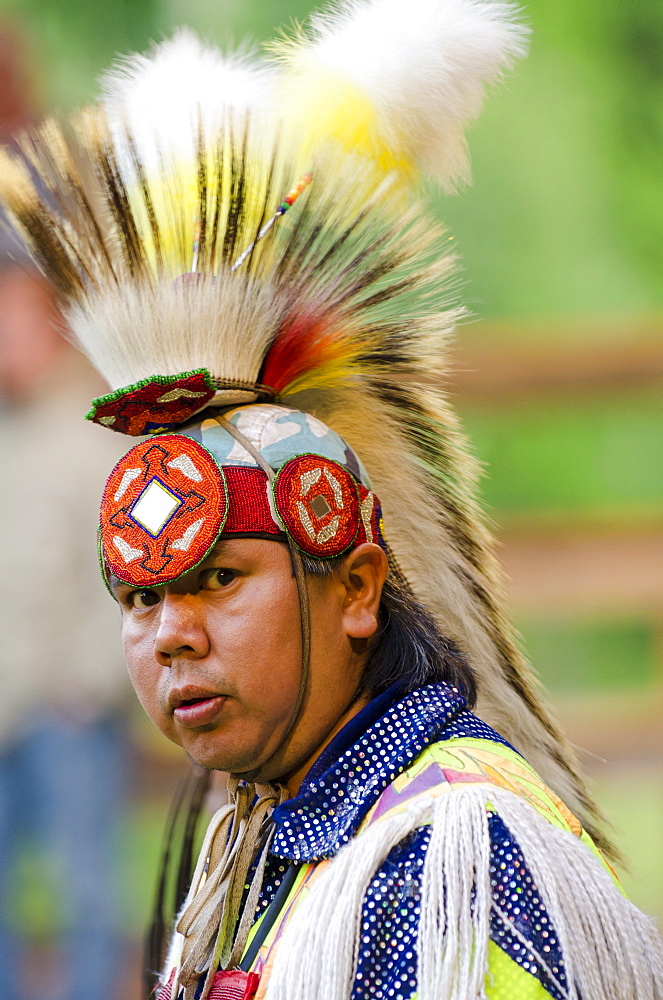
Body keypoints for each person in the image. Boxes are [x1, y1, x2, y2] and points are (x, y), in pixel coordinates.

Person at [1, 2, 661, 999]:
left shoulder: (440, 861)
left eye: (219, 577)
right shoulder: (280, 830)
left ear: (356, 586)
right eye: (141, 597)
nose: (172, 633)